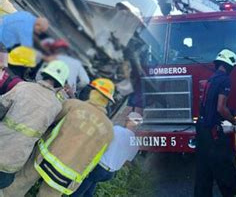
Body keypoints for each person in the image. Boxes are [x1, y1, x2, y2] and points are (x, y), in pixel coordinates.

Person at [3, 78, 115, 197]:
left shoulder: (74, 105)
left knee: (22, 182)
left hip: (44, 157)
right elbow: (96, 156)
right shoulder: (110, 130)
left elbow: (51, 119)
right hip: (68, 173)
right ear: (107, 101)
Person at [0, 60, 69, 192]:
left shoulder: (23, 87)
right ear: (61, 83)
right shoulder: (56, 106)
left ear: (43, 74)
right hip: (16, 159)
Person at [194, 49, 236, 197]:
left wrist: (230, 112)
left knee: (204, 170)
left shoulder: (211, 79)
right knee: (224, 166)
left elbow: (210, 105)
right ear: (230, 66)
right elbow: (221, 108)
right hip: (213, 132)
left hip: (202, 129)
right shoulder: (225, 80)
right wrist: (235, 123)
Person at [71, 112, 143, 197]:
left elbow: (100, 140)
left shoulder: (117, 129)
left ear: (128, 120)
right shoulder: (135, 143)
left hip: (99, 167)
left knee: (77, 193)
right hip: (109, 174)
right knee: (89, 190)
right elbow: (126, 162)